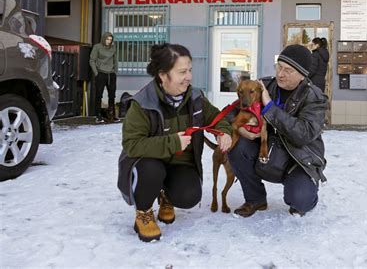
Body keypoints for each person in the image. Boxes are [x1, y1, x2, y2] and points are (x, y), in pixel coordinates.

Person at [118, 43, 232, 242]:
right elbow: (132, 145)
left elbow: (217, 117)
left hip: (179, 164)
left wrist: (223, 132)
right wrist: (171, 142)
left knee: (189, 195)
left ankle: (166, 196)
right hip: (149, 164)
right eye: (182, 72)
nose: (188, 77)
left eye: (189, 70)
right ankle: (143, 213)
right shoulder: (142, 104)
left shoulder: (196, 98)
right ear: (163, 75)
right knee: (152, 170)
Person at [227, 44, 328, 218]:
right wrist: (240, 129)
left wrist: (269, 107)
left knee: (301, 200)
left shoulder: (315, 98)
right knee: (237, 148)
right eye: (279, 67)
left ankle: (302, 195)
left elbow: (303, 133)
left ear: (302, 75)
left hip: (298, 160)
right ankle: (255, 199)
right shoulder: (263, 85)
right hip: (267, 153)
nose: (280, 74)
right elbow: (229, 113)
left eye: (288, 70)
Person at [89, 32, 119, 123]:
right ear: (104, 39)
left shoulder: (113, 48)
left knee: (112, 95)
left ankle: (112, 115)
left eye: (110, 40)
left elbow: (115, 60)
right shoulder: (97, 47)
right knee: (99, 94)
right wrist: (96, 73)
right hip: (101, 73)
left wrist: (115, 71)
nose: (109, 41)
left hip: (111, 74)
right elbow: (92, 60)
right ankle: (98, 116)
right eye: (107, 39)